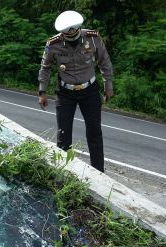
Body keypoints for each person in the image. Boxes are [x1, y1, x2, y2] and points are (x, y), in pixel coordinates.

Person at [38, 10, 113, 172]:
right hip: (65, 94)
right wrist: (42, 91)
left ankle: (99, 172)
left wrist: (108, 85)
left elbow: (104, 61)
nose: (73, 38)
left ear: (79, 29)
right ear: (63, 34)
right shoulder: (53, 44)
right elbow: (45, 67)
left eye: (75, 35)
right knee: (63, 134)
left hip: (90, 91)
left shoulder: (92, 38)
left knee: (94, 133)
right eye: (68, 35)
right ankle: (64, 172)